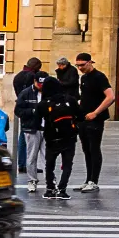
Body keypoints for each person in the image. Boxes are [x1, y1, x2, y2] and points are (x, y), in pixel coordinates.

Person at [71, 52, 114, 191]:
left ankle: (94, 181)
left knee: (94, 149)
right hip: (83, 119)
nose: (80, 68)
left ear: (90, 62)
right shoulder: (83, 78)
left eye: (82, 65)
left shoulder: (99, 77)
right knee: (86, 150)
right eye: (77, 65)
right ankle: (88, 179)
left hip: (95, 120)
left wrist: (96, 113)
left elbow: (110, 97)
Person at [41, 60, 83, 200]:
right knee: (67, 163)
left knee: (50, 163)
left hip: (51, 137)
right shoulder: (70, 100)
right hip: (69, 137)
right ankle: (62, 189)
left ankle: (49, 189)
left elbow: (36, 121)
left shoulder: (44, 103)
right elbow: (80, 116)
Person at [12, 58, 47, 173]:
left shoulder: (17, 76)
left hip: (23, 108)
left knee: (23, 135)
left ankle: (22, 163)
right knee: (30, 138)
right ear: (36, 66)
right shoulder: (32, 76)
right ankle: (28, 164)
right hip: (32, 110)